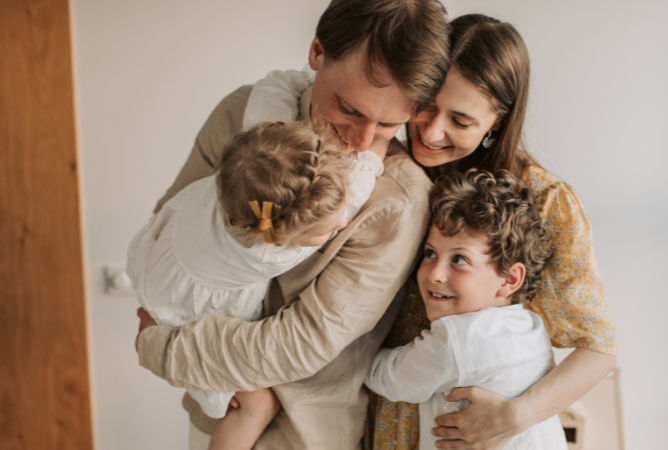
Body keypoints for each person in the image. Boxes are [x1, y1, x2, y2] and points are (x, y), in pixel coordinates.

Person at [134, 1, 451, 449]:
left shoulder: (398, 200)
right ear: (318, 52)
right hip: (215, 411)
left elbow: (302, 342)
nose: (360, 142)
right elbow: (172, 226)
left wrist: (159, 346)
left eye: (388, 125)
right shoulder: (239, 114)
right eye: (350, 109)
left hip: (304, 436)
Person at [366, 14, 618, 450]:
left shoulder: (544, 202)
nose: (431, 130)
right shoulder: (388, 169)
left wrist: (512, 417)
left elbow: (598, 350)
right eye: (426, 104)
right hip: (381, 419)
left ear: (497, 122)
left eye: (460, 121)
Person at [128, 120, 387, 450]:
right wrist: (380, 140)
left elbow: (270, 97)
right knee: (257, 404)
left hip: (159, 266)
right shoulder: (267, 252)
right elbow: (360, 185)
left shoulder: (246, 167)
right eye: (326, 231)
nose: (343, 223)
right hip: (181, 309)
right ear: (276, 236)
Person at [365, 169, 567, 450]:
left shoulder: (458, 338)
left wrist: (361, 340)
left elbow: (388, 379)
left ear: (510, 279)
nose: (435, 273)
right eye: (430, 253)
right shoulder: (530, 325)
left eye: (459, 259)